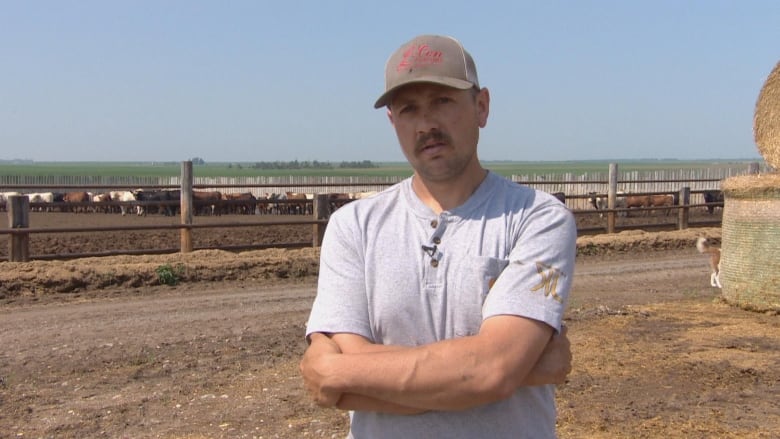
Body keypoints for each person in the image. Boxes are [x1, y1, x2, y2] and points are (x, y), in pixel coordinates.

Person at [300, 34, 577, 438]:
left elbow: (492, 370)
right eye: (409, 109)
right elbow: (491, 372)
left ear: (481, 107)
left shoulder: (538, 219)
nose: (426, 124)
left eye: (442, 102)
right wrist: (515, 371)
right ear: (393, 122)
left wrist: (343, 373)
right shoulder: (353, 226)